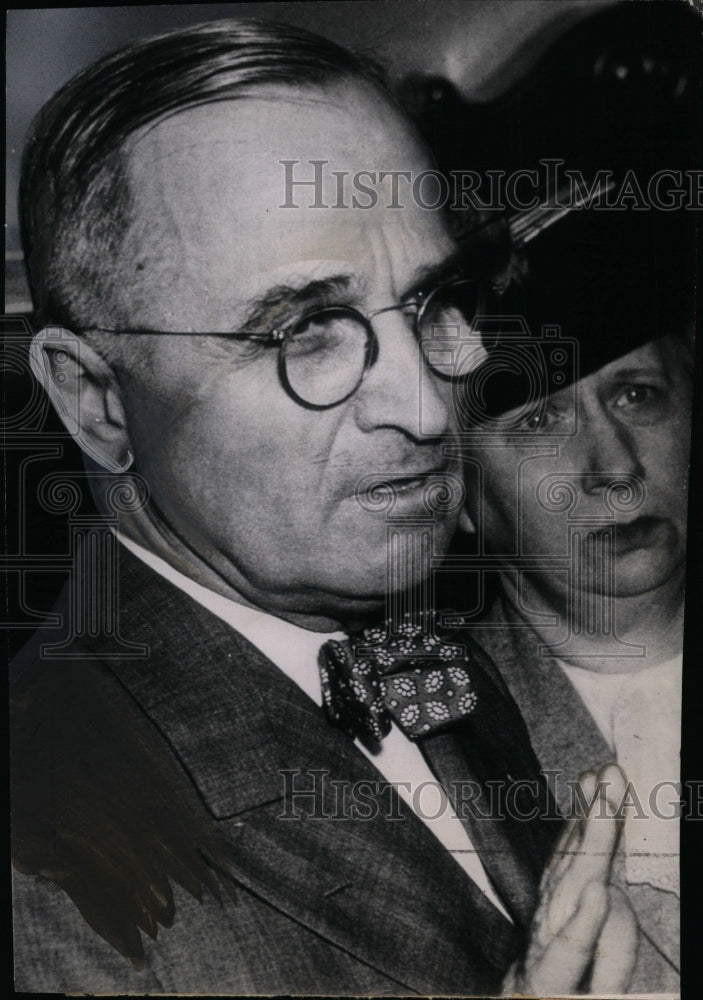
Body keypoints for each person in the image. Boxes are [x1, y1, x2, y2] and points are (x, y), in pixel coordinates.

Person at [10, 18, 633, 995]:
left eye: (430, 301)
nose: (429, 409)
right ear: (95, 400)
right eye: (306, 331)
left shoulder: (419, 644)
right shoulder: (41, 864)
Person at [459, 203, 694, 994]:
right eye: (538, 421)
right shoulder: (430, 744)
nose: (613, 467)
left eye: (636, 395)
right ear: (458, 495)